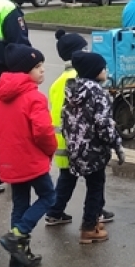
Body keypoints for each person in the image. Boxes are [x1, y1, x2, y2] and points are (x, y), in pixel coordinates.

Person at [0, 44, 56, 267]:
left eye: (42, 65)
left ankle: (18, 258)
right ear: (25, 72)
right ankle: (18, 234)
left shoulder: (1, 97)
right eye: (37, 66)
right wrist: (50, 150)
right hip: (32, 160)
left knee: (20, 203)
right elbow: (43, 131)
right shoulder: (34, 98)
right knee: (49, 197)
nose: (42, 70)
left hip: (9, 162)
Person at [44, 30, 116, 228]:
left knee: (67, 177)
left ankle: (55, 211)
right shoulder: (81, 78)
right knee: (94, 179)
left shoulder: (59, 80)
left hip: (61, 138)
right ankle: (96, 212)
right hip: (80, 139)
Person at [61, 51, 125, 244]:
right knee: (95, 187)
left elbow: (66, 120)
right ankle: (89, 227)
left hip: (75, 147)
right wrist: (117, 145)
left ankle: (93, 220)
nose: (106, 71)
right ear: (96, 72)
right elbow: (104, 124)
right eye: (103, 68)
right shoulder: (98, 93)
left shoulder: (72, 90)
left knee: (91, 185)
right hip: (94, 149)